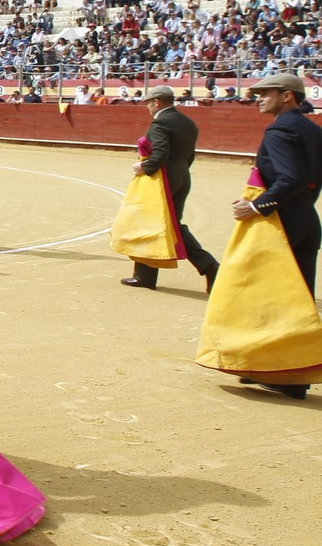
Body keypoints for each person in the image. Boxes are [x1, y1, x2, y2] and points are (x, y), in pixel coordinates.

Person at [226, 74, 322, 398]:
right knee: (300, 297)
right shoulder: (312, 128)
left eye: (265, 94)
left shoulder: (280, 128)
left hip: (284, 223)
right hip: (308, 219)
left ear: (288, 97)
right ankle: (286, 372)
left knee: (266, 292)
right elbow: (310, 181)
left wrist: (256, 206)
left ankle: (280, 371)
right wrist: (302, 208)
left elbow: (290, 178)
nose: (258, 98)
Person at [120, 86, 219, 291]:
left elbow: (160, 154)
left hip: (163, 178)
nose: (147, 107)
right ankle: (145, 274)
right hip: (182, 174)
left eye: (148, 102)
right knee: (171, 224)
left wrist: (144, 167)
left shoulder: (160, 123)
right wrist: (179, 171)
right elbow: (189, 154)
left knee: (150, 222)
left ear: (157, 102)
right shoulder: (187, 122)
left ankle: (209, 266)